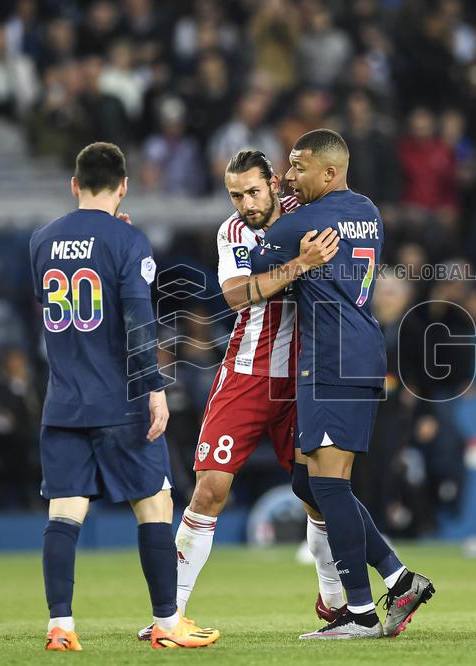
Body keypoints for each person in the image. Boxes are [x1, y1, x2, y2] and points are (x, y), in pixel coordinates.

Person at [136, 149, 343, 640]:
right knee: (209, 489)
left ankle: (336, 604)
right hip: (246, 375)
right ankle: (170, 615)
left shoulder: (305, 211)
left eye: (253, 191)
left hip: (302, 378)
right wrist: (301, 264)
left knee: (317, 494)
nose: (246, 204)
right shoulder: (232, 232)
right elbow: (236, 295)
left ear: (274, 183)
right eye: (235, 195)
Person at [29, 142, 219, 651]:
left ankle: (60, 627)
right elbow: (138, 322)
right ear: (124, 187)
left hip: (63, 402)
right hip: (120, 399)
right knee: (155, 504)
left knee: (64, 512)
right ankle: (167, 623)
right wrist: (154, 388)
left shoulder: (41, 241)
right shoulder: (128, 239)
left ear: (75, 185)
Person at [251, 129, 435, 639]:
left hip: (332, 358)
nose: (289, 176)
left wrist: (279, 221)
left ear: (330, 172)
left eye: (299, 167)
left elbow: (257, 270)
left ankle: (359, 611)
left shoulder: (305, 221)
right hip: (357, 350)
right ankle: (399, 578)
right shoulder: (368, 211)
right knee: (307, 482)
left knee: (330, 485)